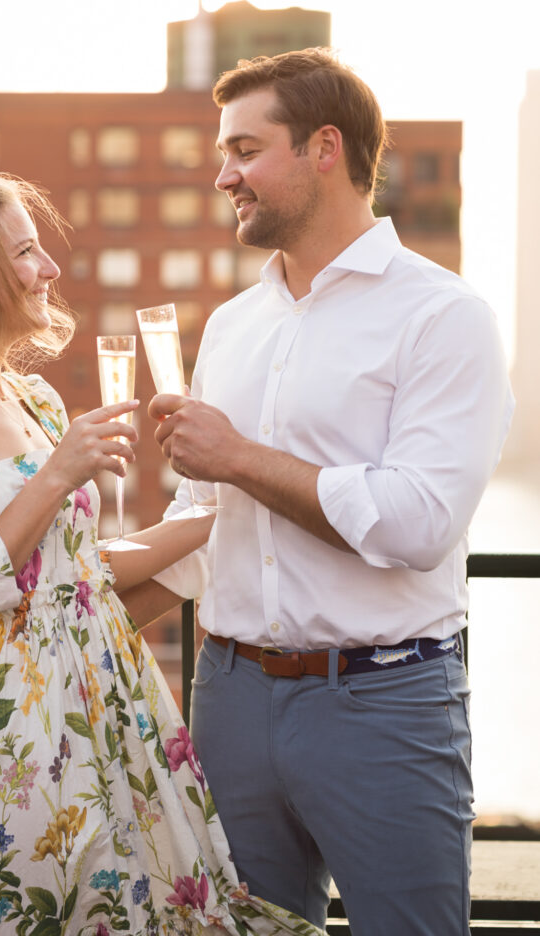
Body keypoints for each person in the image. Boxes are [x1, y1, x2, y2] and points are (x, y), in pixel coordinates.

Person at [0, 171, 325, 936]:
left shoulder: (33, 400)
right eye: (27, 251)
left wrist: (229, 500)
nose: (50, 270)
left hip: (111, 723)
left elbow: (81, 574)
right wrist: (58, 472)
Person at [149, 49, 515, 936]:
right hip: (228, 698)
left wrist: (235, 456)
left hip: (383, 707)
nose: (221, 175)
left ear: (324, 147)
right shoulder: (233, 327)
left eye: (244, 149)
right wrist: (73, 588)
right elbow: (206, 519)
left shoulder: (442, 316)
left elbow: (419, 521)